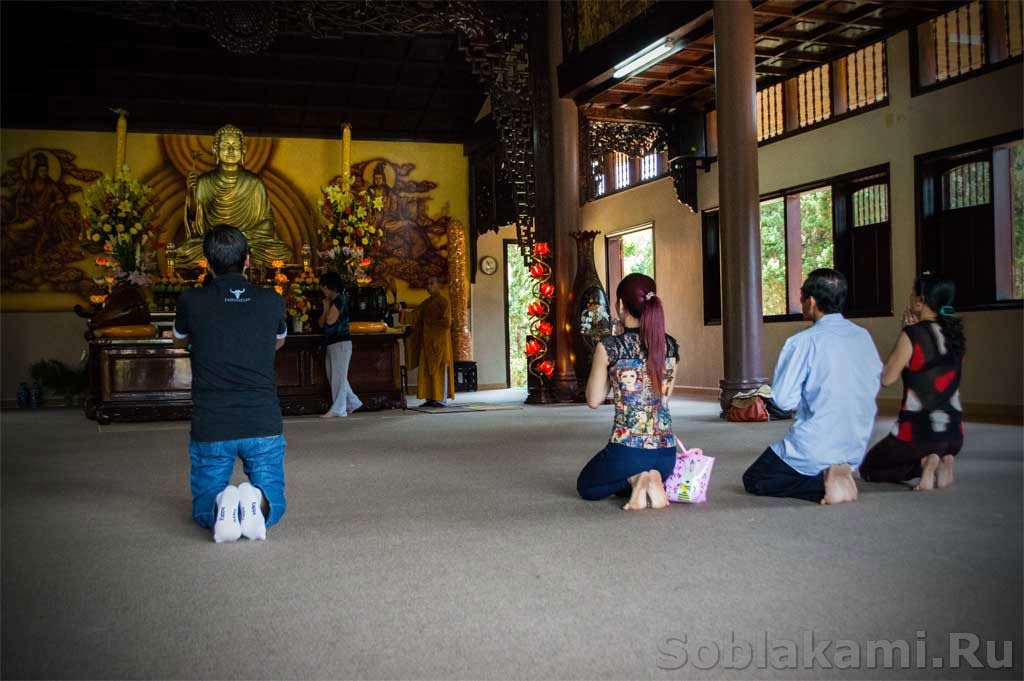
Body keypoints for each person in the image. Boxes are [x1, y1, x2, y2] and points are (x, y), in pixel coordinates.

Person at [173, 226, 288, 542]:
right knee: (275, 504)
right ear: (248, 261)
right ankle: (256, 502)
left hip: (213, 421)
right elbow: (278, 342)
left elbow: (179, 338)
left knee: (202, 510)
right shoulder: (271, 300)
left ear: (207, 263)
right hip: (262, 419)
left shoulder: (191, 300)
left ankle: (222, 503)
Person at [742, 269, 882, 505]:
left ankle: (823, 483)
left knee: (756, 478)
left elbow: (784, 400)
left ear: (812, 301)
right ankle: (841, 473)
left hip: (815, 447)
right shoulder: (863, 336)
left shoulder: (803, 342)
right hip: (854, 446)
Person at [576, 273, 680, 511]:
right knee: (620, 474)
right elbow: (664, 396)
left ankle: (636, 477)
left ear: (621, 306)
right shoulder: (671, 345)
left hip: (627, 450)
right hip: (666, 455)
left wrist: (608, 370)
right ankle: (653, 476)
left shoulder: (611, 346)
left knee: (588, 487)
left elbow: (593, 400)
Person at [860, 273, 966, 490]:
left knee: (869, 469)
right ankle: (943, 458)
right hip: (954, 435)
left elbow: (887, 378)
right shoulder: (956, 337)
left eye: (913, 293)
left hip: (918, 434)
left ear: (920, 301)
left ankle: (924, 463)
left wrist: (904, 335)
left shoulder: (913, 334)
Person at [177, 124, 293, 267]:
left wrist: (242, 237)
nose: (231, 150)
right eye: (226, 145)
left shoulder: (254, 182)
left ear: (243, 150)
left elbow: (267, 223)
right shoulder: (204, 181)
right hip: (215, 243)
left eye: (236, 146)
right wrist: (192, 193)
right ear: (215, 149)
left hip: (246, 242)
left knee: (281, 252)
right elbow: (195, 223)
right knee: (185, 252)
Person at [318, 271, 362, 418]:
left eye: (323, 287)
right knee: (335, 375)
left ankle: (339, 408)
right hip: (333, 342)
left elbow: (329, 321)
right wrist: (325, 307)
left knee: (338, 375)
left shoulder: (340, 300)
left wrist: (326, 307)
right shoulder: (333, 302)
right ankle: (353, 401)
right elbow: (321, 323)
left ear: (329, 287)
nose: (322, 291)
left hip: (341, 342)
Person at [408, 276, 454, 408]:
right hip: (427, 342)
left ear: (439, 285)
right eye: (427, 283)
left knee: (439, 371)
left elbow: (446, 322)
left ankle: (440, 399)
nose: (428, 286)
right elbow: (414, 316)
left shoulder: (444, 302)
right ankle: (430, 398)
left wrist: (429, 323)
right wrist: (401, 311)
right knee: (426, 371)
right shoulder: (426, 303)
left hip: (439, 342)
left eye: (431, 283)